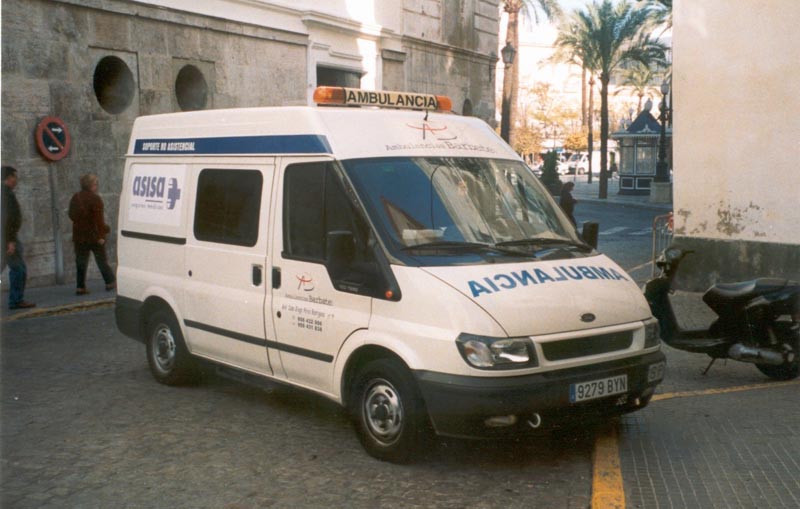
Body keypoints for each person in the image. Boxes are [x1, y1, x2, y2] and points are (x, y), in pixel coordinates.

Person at [68, 173, 116, 295]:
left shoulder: (76, 197)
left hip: (79, 236)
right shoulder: (95, 199)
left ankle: (80, 287)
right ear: (90, 185)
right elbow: (99, 220)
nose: (97, 186)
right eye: (95, 183)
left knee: (81, 262)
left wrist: (81, 222)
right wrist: (101, 235)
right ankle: (110, 282)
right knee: (101, 260)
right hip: (94, 236)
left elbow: (71, 215)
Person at [2, 166, 36, 309]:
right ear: (9, 177)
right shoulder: (5, 194)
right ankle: (16, 300)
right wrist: (10, 240)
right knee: (18, 269)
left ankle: (16, 299)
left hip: (7, 237)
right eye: (15, 176)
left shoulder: (6, 193)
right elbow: (7, 219)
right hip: (8, 238)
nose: (16, 180)